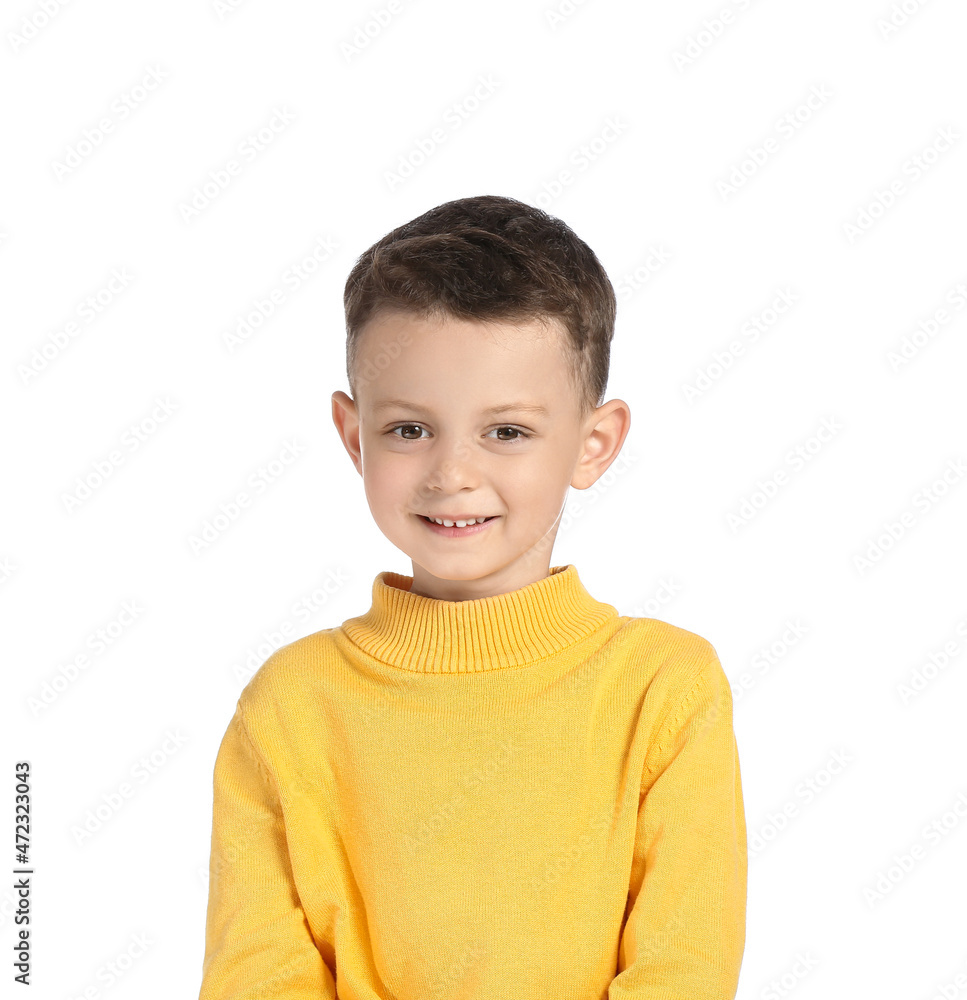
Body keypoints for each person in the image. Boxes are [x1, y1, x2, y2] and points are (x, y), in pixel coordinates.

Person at [197, 194, 747, 999]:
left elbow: (682, 968)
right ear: (355, 437)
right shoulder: (290, 703)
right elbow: (257, 974)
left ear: (592, 445)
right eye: (410, 429)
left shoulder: (664, 688)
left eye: (507, 432)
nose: (452, 474)